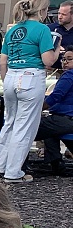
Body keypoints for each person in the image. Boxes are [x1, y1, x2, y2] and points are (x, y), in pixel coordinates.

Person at [0, 0, 60, 183]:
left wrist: (6, 81)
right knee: (25, 126)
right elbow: (48, 60)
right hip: (30, 76)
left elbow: (3, 62)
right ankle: (13, 172)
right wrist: (57, 47)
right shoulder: (43, 29)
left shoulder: (13, 30)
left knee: (10, 123)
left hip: (11, 76)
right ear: (43, 11)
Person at [33, 46, 73, 175]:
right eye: (63, 59)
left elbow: (56, 96)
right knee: (50, 129)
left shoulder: (69, 75)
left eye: (69, 59)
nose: (65, 62)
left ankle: (18, 163)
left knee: (29, 127)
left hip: (65, 118)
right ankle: (55, 163)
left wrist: (38, 108)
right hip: (65, 120)